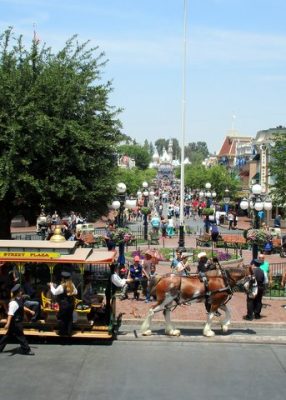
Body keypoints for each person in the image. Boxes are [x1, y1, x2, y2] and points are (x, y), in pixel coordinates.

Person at [0, 284, 35, 355]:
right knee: (20, 336)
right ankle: (26, 350)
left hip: (16, 322)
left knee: (7, 336)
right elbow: (10, 314)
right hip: (16, 322)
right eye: (20, 291)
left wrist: (30, 311)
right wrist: (7, 324)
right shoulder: (13, 303)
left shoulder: (19, 300)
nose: (22, 292)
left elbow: (22, 307)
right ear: (18, 292)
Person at [49, 271, 78, 336]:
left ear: (62, 278)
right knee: (69, 318)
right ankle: (69, 332)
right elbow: (76, 292)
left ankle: (62, 333)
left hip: (64, 305)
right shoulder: (72, 284)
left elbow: (54, 292)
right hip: (71, 304)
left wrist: (51, 286)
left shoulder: (62, 286)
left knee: (62, 319)